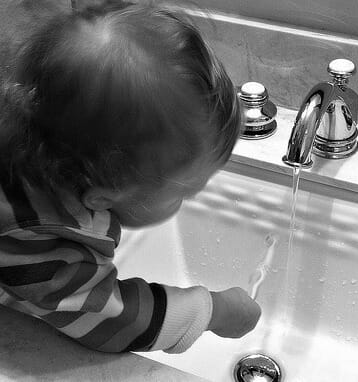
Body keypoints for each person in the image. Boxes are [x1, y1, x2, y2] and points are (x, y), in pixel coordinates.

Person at [0, 3, 261, 354]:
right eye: (181, 194)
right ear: (102, 197)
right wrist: (213, 310)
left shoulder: (40, 127)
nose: (183, 204)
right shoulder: (40, 234)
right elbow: (109, 320)